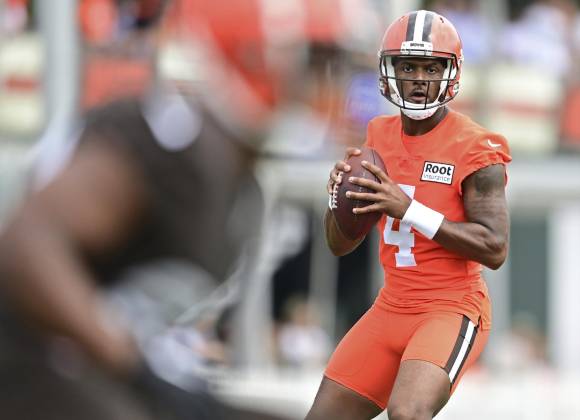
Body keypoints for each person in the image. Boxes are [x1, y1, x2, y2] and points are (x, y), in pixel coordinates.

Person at [0, 1, 329, 419]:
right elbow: (26, 244)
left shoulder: (241, 179)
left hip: (100, 376)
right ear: (256, 56)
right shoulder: (176, 145)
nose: (327, 81)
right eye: (316, 62)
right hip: (33, 365)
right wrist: (130, 364)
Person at [306, 10, 512, 420]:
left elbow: (494, 248)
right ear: (389, 71)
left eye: (431, 68)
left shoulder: (476, 146)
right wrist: (338, 200)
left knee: (407, 413)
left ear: (450, 72)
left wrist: (410, 210)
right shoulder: (377, 136)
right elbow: (338, 244)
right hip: (390, 305)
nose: (419, 78)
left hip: (451, 307)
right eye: (408, 66)